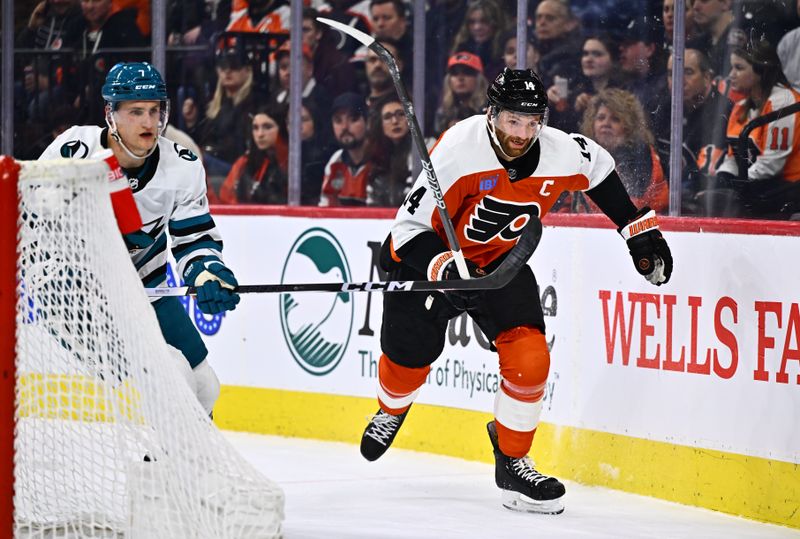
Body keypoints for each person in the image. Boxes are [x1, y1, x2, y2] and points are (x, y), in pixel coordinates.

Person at [359, 68, 673, 514]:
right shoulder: (458, 151)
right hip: (435, 264)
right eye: (512, 121)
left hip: (500, 266)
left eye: (532, 122)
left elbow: (599, 166)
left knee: (530, 359)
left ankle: (512, 461)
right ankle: (391, 409)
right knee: (408, 355)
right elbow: (407, 230)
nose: (523, 133)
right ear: (492, 115)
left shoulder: (560, 151)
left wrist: (635, 228)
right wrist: (447, 266)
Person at [37, 62, 240, 417]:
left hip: (145, 285)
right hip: (74, 293)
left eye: (154, 111)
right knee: (172, 370)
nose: (148, 122)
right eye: (135, 112)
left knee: (206, 385)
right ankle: (178, 467)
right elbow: (33, 216)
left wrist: (207, 272)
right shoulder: (73, 150)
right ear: (110, 114)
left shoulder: (182, 165)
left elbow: (193, 238)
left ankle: (171, 461)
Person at [714, 40, 800, 218]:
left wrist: (737, 186)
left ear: (761, 70)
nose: (731, 75)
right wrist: (722, 178)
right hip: (759, 186)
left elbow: (771, 164)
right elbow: (733, 157)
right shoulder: (740, 107)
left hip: (789, 187)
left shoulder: (783, 101)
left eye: (739, 68)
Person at [579, 88, 669, 213]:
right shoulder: (585, 153)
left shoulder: (640, 154)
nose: (606, 123)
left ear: (628, 127)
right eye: (600, 118)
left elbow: (632, 204)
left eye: (615, 119)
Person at [219, 104, 288, 204]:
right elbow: (226, 197)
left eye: (267, 127)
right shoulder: (244, 162)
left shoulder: (292, 164)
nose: (260, 134)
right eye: (255, 128)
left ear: (282, 128)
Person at [320, 92, 371, 206]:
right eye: (338, 121)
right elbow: (325, 209)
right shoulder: (335, 161)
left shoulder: (382, 159)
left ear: (368, 122)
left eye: (353, 119)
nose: (345, 127)